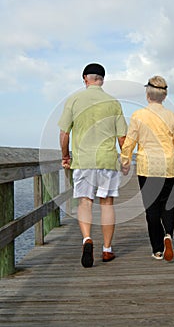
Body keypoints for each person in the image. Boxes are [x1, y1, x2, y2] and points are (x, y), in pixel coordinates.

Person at [58, 63, 127, 268]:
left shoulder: (74, 100)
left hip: (83, 160)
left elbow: (64, 134)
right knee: (107, 203)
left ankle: (87, 238)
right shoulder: (113, 102)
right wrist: (125, 159)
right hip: (107, 159)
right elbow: (123, 137)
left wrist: (65, 157)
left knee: (85, 202)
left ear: (85, 78)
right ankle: (107, 249)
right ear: (102, 79)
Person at [121, 75, 174, 261]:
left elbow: (129, 143)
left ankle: (158, 249)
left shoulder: (138, 116)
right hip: (168, 167)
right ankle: (168, 235)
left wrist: (125, 162)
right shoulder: (172, 116)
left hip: (147, 167)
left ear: (147, 94)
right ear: (164, 97)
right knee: (168, 204)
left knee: (151, 208)